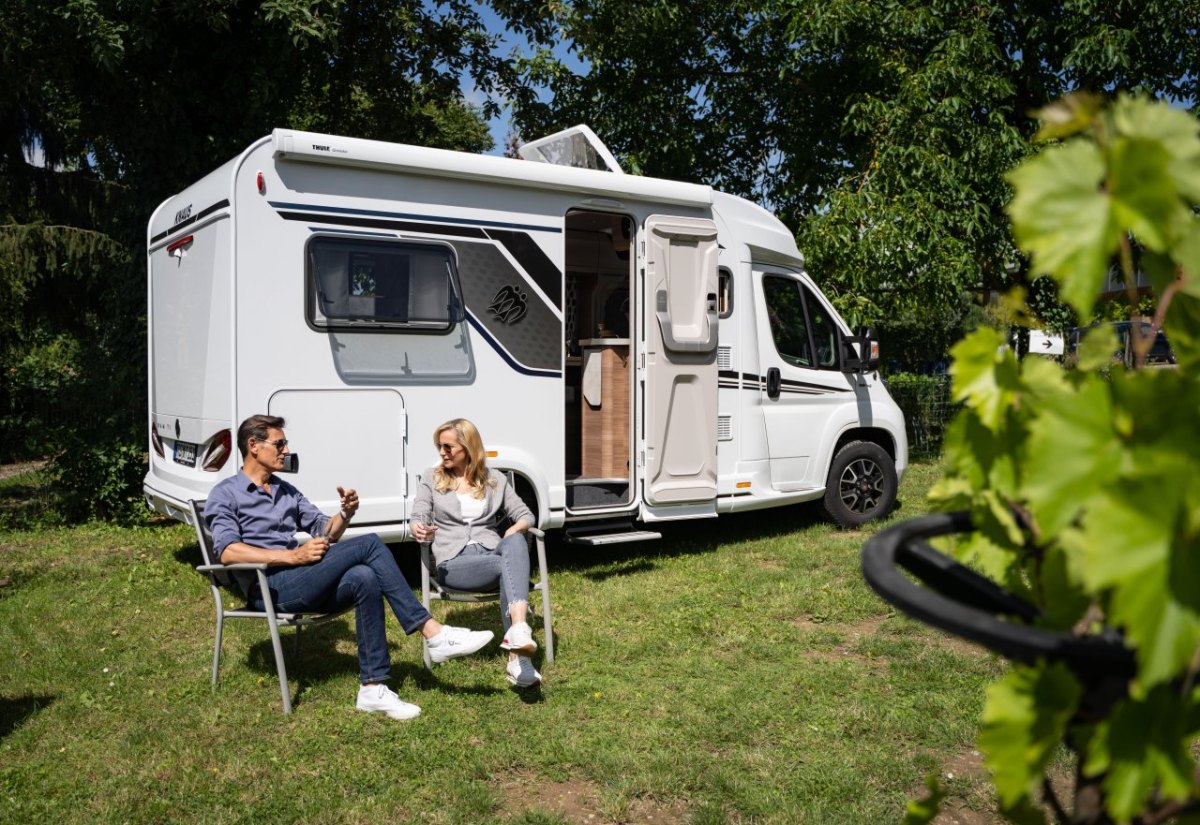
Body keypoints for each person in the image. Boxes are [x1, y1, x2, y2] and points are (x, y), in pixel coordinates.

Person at [205, 414, 494, 721]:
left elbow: (324, 530)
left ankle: (372, 688)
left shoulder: (284, 490)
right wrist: (293, 557)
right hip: (270, 587)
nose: (286, 450)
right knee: (369, 543)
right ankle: (433, 633)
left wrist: (344, 513)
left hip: (303, 579)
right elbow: (227, 551)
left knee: (364, 577)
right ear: (253, 446)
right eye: (279, 443)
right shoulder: (226, 493)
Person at [411, 418, 541, 689]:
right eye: (439, 446)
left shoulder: (494, 480)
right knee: (510, 565)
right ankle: (518, 657)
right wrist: (420, 530)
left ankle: (518, 635)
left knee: (516, 540)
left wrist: (513, 530)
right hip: (454, 564)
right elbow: (418, 515)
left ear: (468, 447)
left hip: (492, 554)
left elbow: (526, 515)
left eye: (448, 447)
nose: (442, 452)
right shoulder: (431, 478)